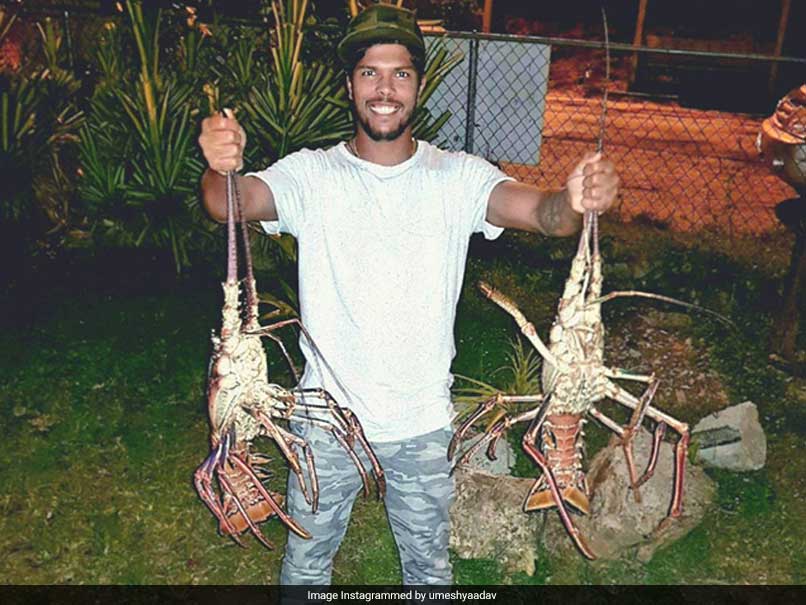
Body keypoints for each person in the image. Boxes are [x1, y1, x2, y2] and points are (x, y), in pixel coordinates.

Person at [198, 4, 619, 586]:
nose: (385, 90)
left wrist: (576, 197)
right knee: (305, 566)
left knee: (428, 571)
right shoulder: (312, 176)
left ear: (418, 85)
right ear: (350, 85)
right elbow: (228, 203)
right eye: (370, 72)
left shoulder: (460, 176)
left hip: (421, 421)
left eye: (401, 73)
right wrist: (219, 166)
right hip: (327, 420)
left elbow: (548, 216)